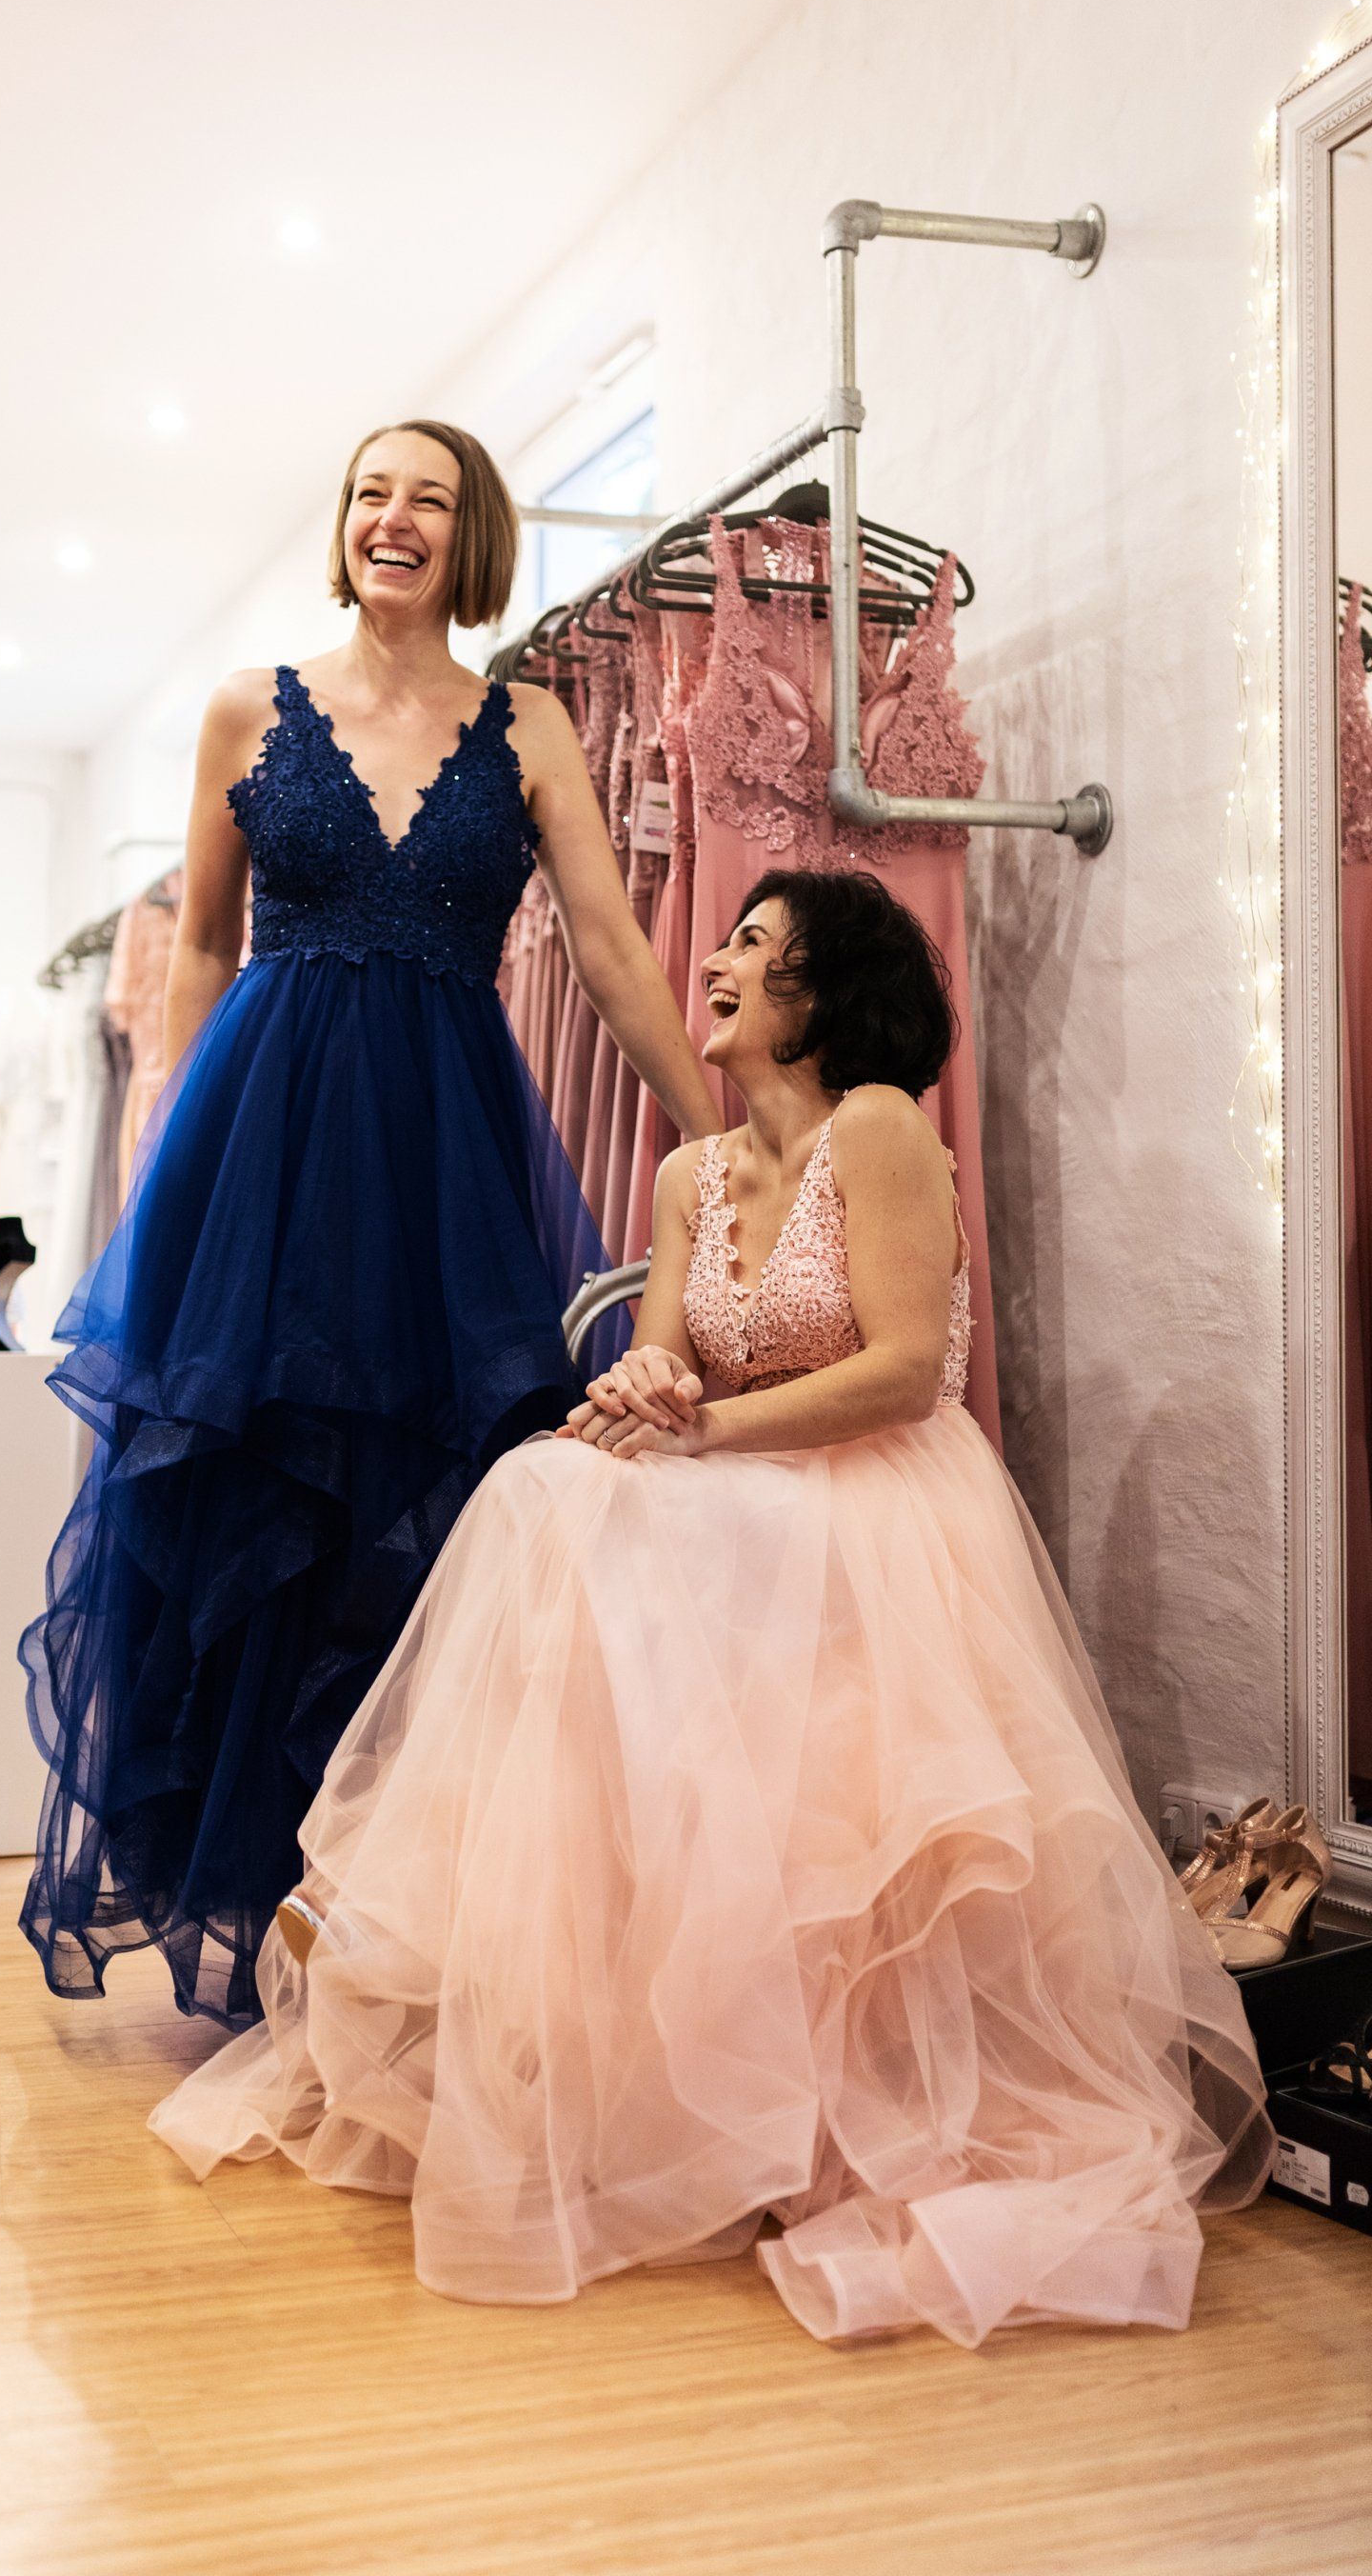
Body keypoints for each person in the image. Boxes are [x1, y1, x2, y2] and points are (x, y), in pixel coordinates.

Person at [152, 869, 1272, 2346]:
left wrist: (701, 1436)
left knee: (589, 1521)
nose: (719, 961)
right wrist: (642, 1384)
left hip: (875, 1495)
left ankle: (467, 1939)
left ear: (822, 993)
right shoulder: (691, 1175)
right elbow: (671, 1354)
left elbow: (900, 1371)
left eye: (753, 943)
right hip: (747, 1488)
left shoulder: (882, 1129)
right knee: (543, 1490)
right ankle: (457, 1945)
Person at [20, 419, 723, 2024]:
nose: (394, 519)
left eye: (431, 499)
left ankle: (417, 1917)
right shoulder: (246, 708)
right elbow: (204, 954)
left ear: (472, 540)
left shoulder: (530, 723)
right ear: (342, 527)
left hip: (443, 1156)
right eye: (369, 494)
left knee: (444, 1500)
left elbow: (610, 947)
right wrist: (167, 1167)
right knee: (256, 1496)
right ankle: (271, 1910)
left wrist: (718, 1135)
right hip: (261, 1150)